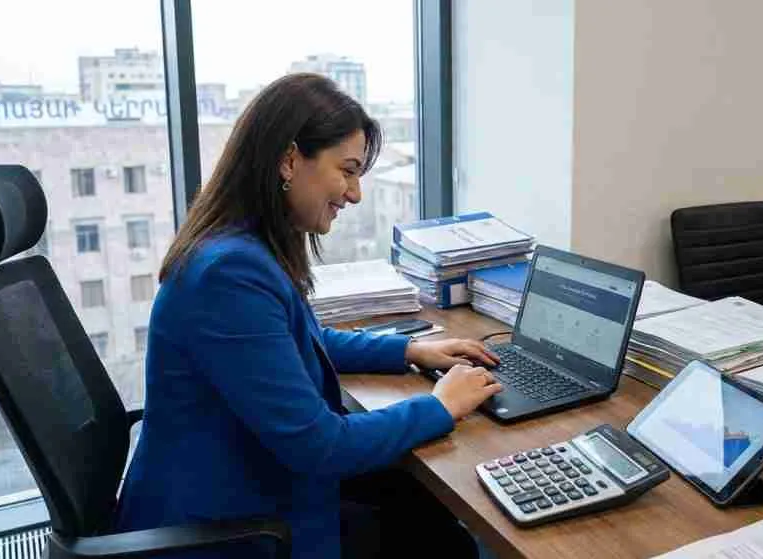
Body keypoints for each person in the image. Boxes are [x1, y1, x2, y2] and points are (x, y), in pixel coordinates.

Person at [113, 73, 503, 559]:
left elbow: (301, 338)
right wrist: (440, 406)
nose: (355, 193)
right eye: (348, 170)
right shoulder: (228, 274)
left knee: (421, 509)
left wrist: (408, 349)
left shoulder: (239, 248)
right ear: (289, 159)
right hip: (227, 526)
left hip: (245, 483)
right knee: (438, 533)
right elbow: (320, 446)